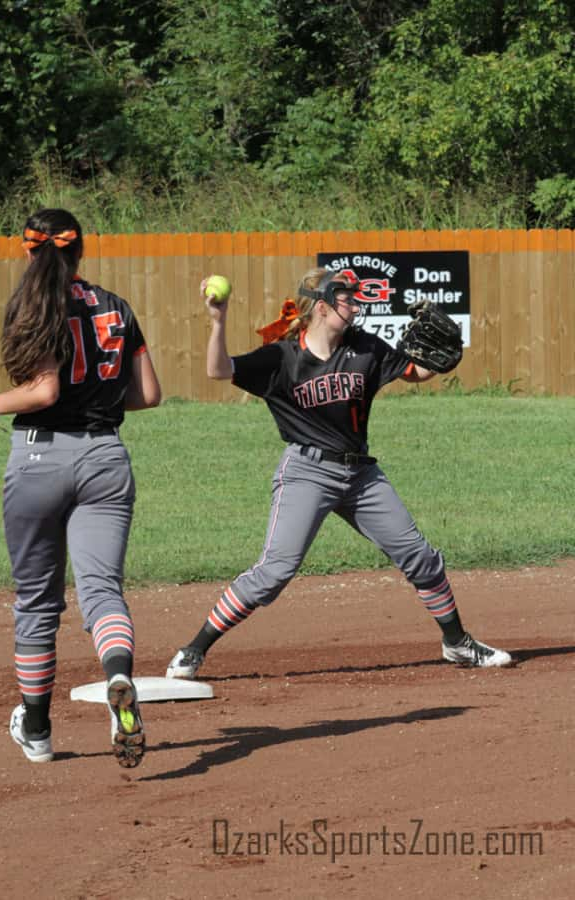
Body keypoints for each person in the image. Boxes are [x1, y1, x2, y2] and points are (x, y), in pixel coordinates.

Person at [165, 268, 511, 680]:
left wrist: (442, 355)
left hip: (361, 476)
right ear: (323, 306)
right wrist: (218, 321)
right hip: (306, 473)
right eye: (345, 298)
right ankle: (194, 648)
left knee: (420, 557)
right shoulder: (281, 357)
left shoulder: (364, 347)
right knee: (274, 572)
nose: (354, 304)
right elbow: (218, 370)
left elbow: (416, 372)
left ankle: (457, 643)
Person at [0, 208, 161, 767]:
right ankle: (119, 679)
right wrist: (99, 400)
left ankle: (36, 730)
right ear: (80, 250)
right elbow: (147, 394)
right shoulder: (116, 307)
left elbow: (43, 393)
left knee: (36, 603)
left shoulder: (34, 305)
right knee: (101, 590)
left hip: (39, 458)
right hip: (106, 455)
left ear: (29, 251)